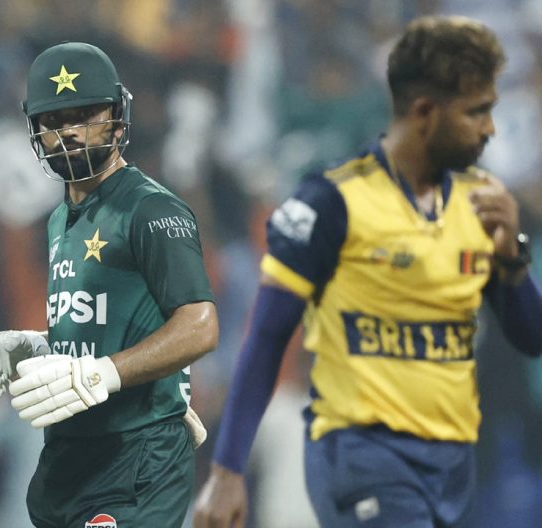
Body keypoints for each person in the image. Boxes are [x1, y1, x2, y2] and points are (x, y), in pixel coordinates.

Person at [193, 15, 542, 528]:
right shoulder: (332, 203)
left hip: (451, 462)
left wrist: (511, 259)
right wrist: (227, 470)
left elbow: (531, 336)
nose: (489, 128)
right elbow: (267, 337)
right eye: (475, 112)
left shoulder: (476, 204)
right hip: (362, 456)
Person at [0, 41, 219, 527]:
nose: (70, 132)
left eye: (85, 115)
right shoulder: (60, 219)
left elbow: (201, 325)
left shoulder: (151, 208)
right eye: (54, 120)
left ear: (117, 118)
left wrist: (104, 374)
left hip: (137, 452)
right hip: (72, 454)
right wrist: (35, 346)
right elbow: (103, 329)